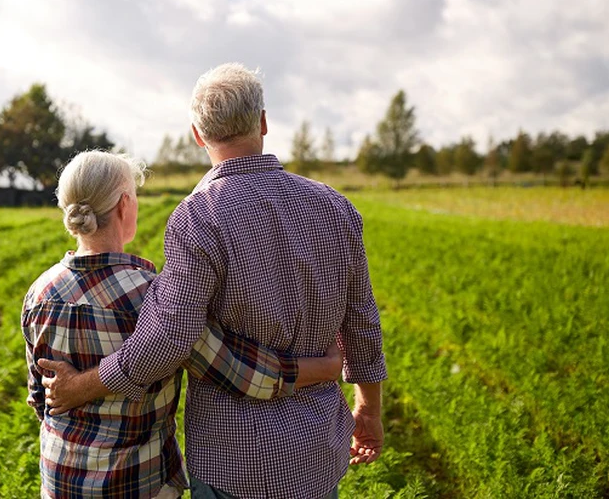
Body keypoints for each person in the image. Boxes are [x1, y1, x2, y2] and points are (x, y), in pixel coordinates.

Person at [41, 64, 387, 499]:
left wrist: (79, 386)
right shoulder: (335, 207)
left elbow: (168, 339)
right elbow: (362, 324)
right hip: (318, 450)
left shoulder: (198, 216)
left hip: (233, 458)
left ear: (197, 135)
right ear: (262, 122)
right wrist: (368, 409)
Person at [24, 149, 344, 498]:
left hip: (59, 481)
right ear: (123, 206)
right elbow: (237, 370)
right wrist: (321, 368)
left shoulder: (39, 292)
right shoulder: (154, 295)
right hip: (137, 483)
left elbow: (40, 398)